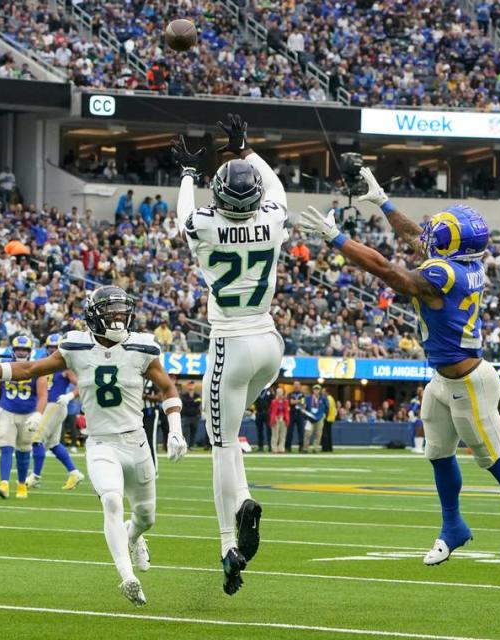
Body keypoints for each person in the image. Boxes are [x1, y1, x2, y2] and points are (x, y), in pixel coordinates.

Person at [297, 168, 500, 564]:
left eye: (444, 233)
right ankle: (453, 527)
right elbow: (417, 238)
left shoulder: (444, 274)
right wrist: (384, 202)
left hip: (470, 381)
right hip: (442, 377)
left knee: (491, 456)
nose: (432, 237)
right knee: (437, 451)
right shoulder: (460, 264)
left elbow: (388, 270)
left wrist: (336, 238)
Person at [0, 286, 188, 606]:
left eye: (122, 311)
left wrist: (175, 429)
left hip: (137, 442)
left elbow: (168, 388)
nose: (120, 318)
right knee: (112, 503)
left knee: (146, 517)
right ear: (95, 316)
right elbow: (31, 369)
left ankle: (134, 535)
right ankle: (127, 576)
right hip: (102, 443)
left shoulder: (142, 347)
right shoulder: (75, 346)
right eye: (112, 312)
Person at [173, 113, 287, 594]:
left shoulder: (204, 226)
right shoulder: (273, 218)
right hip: (271, 344)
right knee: (233, 434)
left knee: (221, 446)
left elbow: (183, 215)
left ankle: (227, 544)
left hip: (230, 342)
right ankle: (244, 499)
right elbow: (277, 187)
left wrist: (187, 174)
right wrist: (245, 147)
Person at [0, 336, 48, 500]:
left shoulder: (37, 368)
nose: (21, 352)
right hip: (7, 411)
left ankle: (21, 485)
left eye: (24, 350)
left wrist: (38, 414)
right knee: (6, 447)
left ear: (29, 351)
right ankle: (4, 483)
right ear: (13, 350)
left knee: (24, 450)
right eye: (19, 349)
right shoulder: (6, 366)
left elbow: (42, 395)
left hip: (28, 413)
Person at [24, 333, 84, 491]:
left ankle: (35, 476)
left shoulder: (64, 366)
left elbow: (82, 385)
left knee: (37, 439)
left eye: (54, 347)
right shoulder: (43, 362)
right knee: (53, 444)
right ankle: (74, 473)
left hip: (55, 404)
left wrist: (70, 395)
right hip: (48, 405)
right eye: (50, 347)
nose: (52, 350)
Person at [303, 384, 329, 454]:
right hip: (310, 417)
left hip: (319, 417)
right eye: (315, 389)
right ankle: (305, 448)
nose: (316, 391)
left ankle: (315, 448)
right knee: (307, 433)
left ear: (319, 390)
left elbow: (327, 407)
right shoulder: (308, 398)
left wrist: (324, 415)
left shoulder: (323, 398)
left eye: (317, 389)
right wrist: (305, 415)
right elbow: (304, 407)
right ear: (313, 390)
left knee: (318, 434)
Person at [286, 380, 306, 453]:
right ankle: (288, 447)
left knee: (301, 431)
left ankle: (301, 447)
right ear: (293, 386)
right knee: (290, 431)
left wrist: (295, 401)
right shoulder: (290, 394)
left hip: (300, 414)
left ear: (300, 386)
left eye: (298, 384)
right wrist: (298, 401)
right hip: (291, 414)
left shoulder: (302, 394)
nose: (296, 386)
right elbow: (290, 402)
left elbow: (303, 404)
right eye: (295, 384)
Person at [180, 381, 201, 449]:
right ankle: (185, 445)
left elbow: (198, 403)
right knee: (185, 432)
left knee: (193, 431)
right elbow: (185, 402)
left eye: (192, 385)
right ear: (187, 386)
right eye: (189, 385)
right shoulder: (183, 395)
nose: (191, 386)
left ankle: (191, 445)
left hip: (195, 416)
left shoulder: (198, 395)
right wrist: (193, 401)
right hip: (186, 416)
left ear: (194, 386)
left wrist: (190, 402)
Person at [269, 387, 290, 454]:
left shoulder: (286, 401)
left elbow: (286, 411)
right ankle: (274, 448)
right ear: (276, 393)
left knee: (283, 435)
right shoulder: (273, 402)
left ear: (283, 393)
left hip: (283, 419)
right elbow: (271, 411)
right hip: (276, 419)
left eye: (281, 392)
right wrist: (274, 417)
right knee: (275, 435)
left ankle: (281, 448)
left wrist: (285, 418)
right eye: (278, 392)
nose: (280, 394)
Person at [253, 386, 273, 452]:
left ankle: (270, 446)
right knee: (259, 431)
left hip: (267, 413)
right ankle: (260, 446)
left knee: (269, 430)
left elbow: (273, 402)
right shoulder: (257, 391)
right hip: (259, 413)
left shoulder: (269, 392)